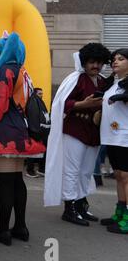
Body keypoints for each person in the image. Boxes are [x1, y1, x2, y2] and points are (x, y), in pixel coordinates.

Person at [0, 32, 45, 246]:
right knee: (17, 180)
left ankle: (4, 231)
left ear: (7, 50)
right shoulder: (23, 70)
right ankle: (20, 227)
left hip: (5, 131)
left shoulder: (4, 70)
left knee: (5, 182)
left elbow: (0, 106)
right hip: (22, 132)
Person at [44, 43, 112, 227]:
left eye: (99, 62)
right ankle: (70, 208)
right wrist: (83, 104)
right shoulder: (76, 79)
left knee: (86, 171)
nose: (95, 66)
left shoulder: (104, 81)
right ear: (84, 62)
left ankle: (81, 204)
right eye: (91, 62)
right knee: (72, 170)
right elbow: (62, 104)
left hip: (93, 132)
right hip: (75, 131)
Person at [100, 48, 128, 234]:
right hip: (111, 136)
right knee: (118, 175)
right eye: (113, 59)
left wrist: (120, 96)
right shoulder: (115, 83)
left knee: (126, 177)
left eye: (121, 59)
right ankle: (120, 212)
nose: (115, 62)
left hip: (125, 136)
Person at [25, 87, 50, 178]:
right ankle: (30, 170)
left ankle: (41, 169)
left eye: (42, 94)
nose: (41, 95)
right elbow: (33, 116)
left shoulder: (38, 102)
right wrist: (35, 131)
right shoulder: (33, 102)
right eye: (40, 94)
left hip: (42, 131)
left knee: (43, 150)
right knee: (33, 150)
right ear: (35, 93)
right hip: (36, 131)